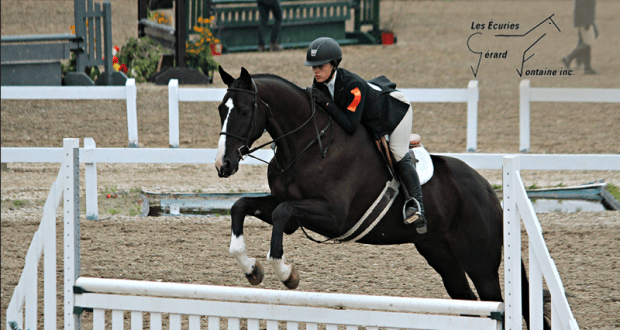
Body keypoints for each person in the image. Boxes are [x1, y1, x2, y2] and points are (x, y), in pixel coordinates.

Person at [304, 37, 427, 232]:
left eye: (320, 66)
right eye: (313, 67)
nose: (316, 71)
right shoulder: (320, 83)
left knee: (396, 151)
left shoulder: (354, 87)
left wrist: (327, 104)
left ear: (334, 64)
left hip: (393, 112)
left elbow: (351, 125)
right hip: (369, 117)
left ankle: (416, 204)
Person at [562, 0, 597, 74]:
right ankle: (568, 58)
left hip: (587, 19)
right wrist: (586, 21)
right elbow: (580, 6)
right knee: (589, 43)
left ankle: (587, 68)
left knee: (587, 43)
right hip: (584, 20)